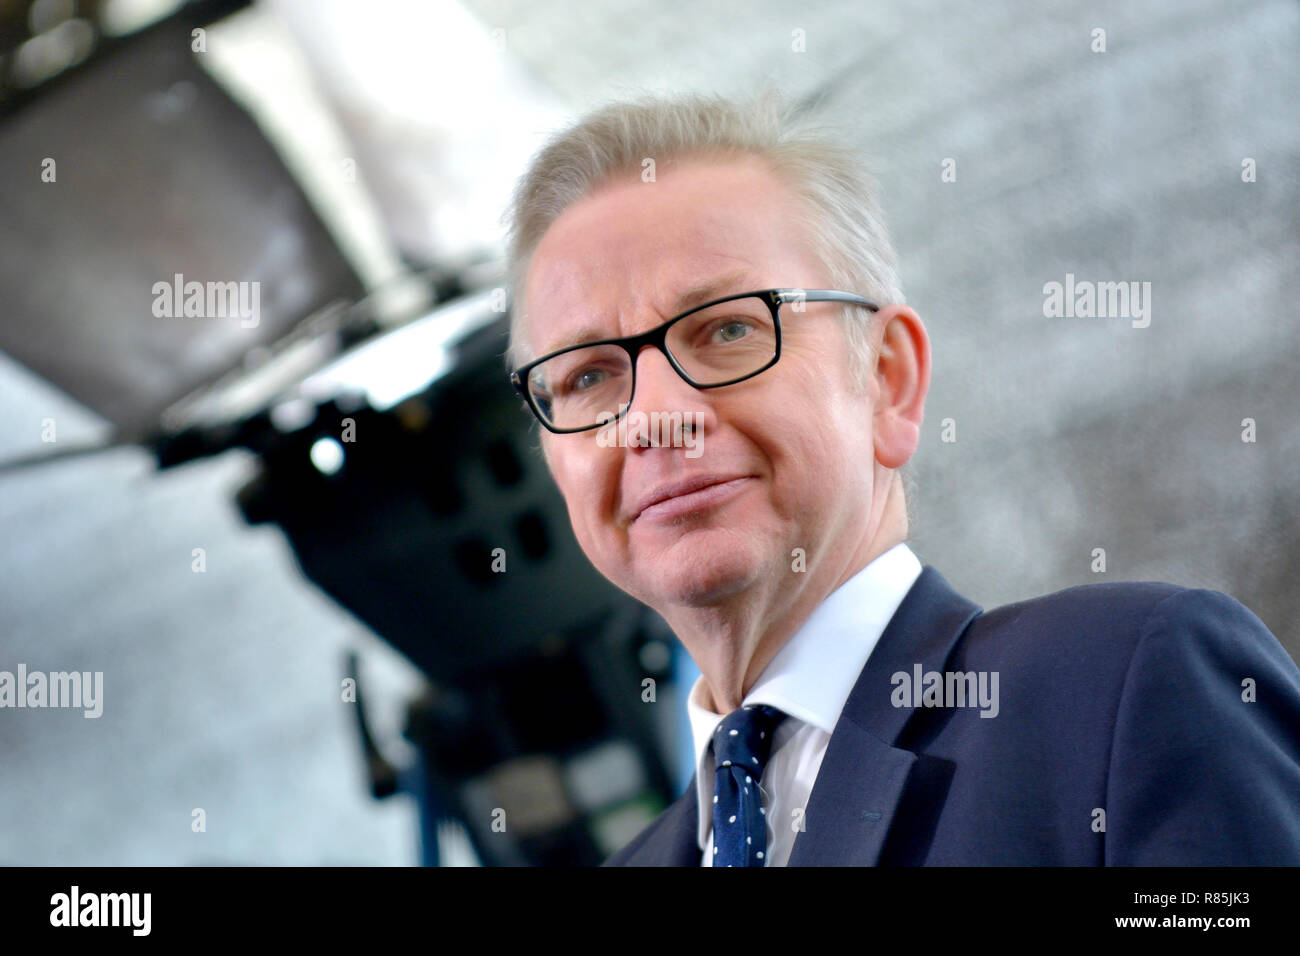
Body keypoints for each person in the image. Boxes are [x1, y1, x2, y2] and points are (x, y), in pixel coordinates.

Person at [501, 91, 1300, 865]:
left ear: (888, 379)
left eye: (730, 329)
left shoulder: (1122, 690)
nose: (656, 418)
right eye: (586, 377)